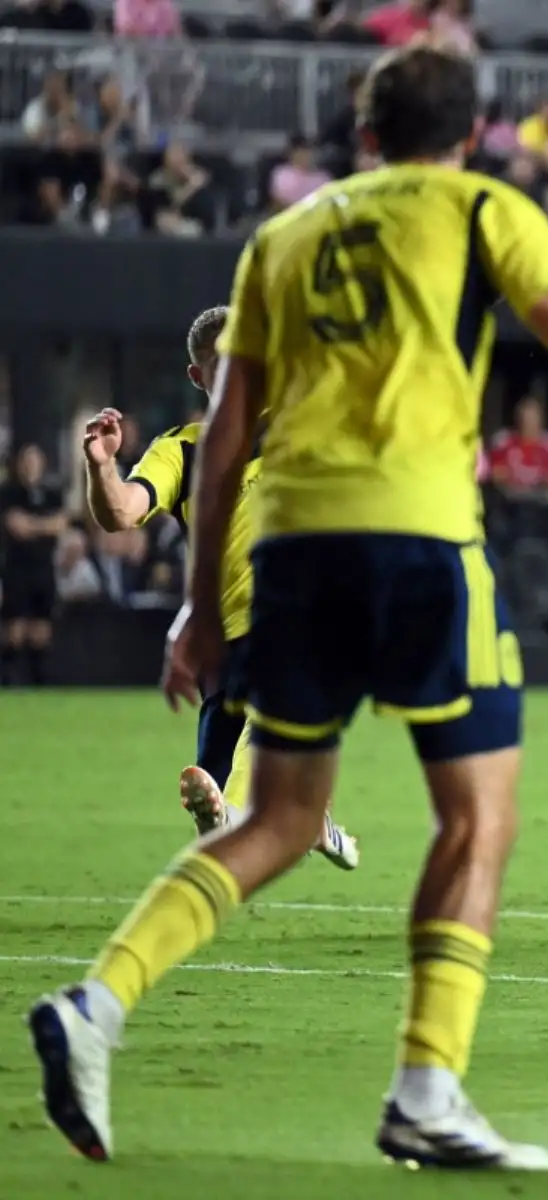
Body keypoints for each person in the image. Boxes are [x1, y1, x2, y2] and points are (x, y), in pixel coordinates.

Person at [26, 43, 548, 1173]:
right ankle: (427, 1088)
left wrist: (196, 609)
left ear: (365, 135)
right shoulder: (484, 207)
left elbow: (223, 440)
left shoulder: (282, 237)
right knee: (477, 820)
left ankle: (98, 1001)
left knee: (276, 820)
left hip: (292, 560)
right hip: (420, 540)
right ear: (471, 134)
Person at [80, 308, 359, 864]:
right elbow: (121, 513)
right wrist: (101, 467)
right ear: (197, 377)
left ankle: (240, 811)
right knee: (215, 764)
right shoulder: (182, 451)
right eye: (218, 363)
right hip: (222, 637)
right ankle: (307, 818)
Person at [0, 443, 67, 686]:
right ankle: (11, 682)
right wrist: (44, 525)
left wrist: (32, 525)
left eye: (35, 460)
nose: (30, 465)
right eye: (26, 460)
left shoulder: (52, 493)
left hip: (43, 569)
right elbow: (15, 525)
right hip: (17, 569)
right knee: (15, 630)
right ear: (19, 465)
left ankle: (40, 683)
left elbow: (60, 525)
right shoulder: (8, 493)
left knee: (41, 631)